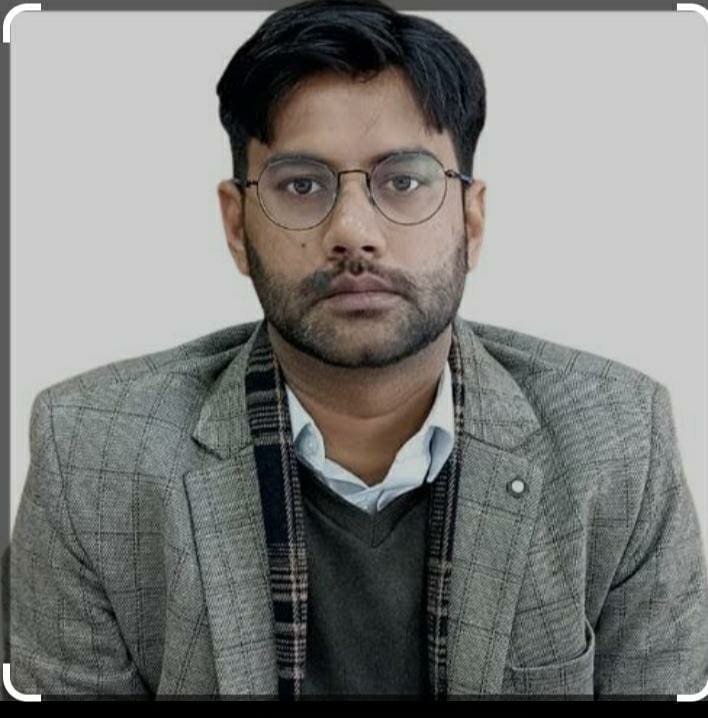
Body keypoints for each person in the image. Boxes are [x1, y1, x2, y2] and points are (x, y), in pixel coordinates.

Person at [3, 0, 707, 701]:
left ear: (471, 218)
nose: (352, 232)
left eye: (403, 181)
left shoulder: (617, 446)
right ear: (237, 225)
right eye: (301, 185)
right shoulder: (91, 458)